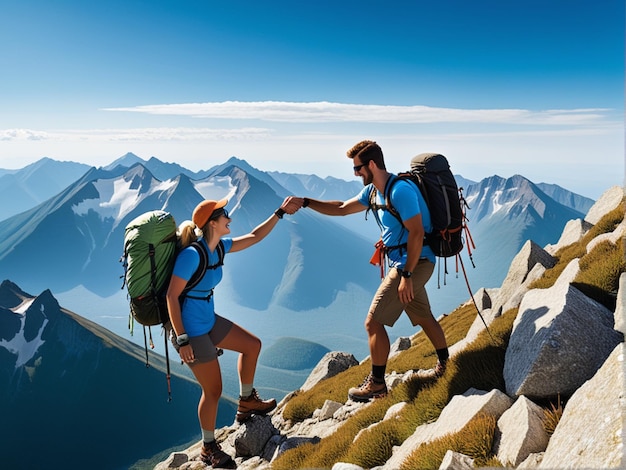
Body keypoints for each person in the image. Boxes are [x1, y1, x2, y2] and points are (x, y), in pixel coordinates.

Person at [297, 140, 449, 402]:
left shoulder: (400, 191)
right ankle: (447, 365)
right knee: (423, 315)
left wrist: (407, 276)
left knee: (373, 322)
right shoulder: (372, 193)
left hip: (415, 263)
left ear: (371, 165)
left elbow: (416, 233)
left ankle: (377, 385)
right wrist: (306, 202)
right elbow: (342, 209)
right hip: (404, 263)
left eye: (357, 169)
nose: (355, 174)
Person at [166, 196, 301, 469]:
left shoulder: (219, 248)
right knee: (213, 390)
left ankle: (247, 402)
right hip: (191, 332)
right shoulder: (192, 255)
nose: (230, 216)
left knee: (252, 345)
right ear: (212, 223)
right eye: (224, 213)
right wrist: (182, 341)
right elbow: (171, 296)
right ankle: (208, 447)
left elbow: (254, 236)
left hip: (208, 320)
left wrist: (279, 213)